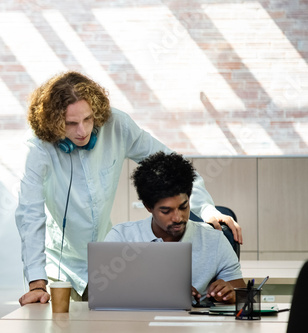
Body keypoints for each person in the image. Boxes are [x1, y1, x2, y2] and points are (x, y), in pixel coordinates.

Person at [15, 71, 242, 306]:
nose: (82, 132)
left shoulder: (117, 126)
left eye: (88, 120)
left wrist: (206, 208)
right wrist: (37, 282)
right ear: (53, 123)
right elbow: (30, 215)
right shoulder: (37, 148)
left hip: (105, 261)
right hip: (57, 267)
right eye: (70, 124)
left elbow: (171, 164)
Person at [104, 152, 246, 303]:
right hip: (137, 324)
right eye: (166, 211)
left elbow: (242, 295)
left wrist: (231, 294)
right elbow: (103, 293)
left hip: (195, 324)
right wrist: (163, 293)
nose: (178, 218)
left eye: (183, 207)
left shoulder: (215, 240)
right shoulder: (121, 238)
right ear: (148, 207)